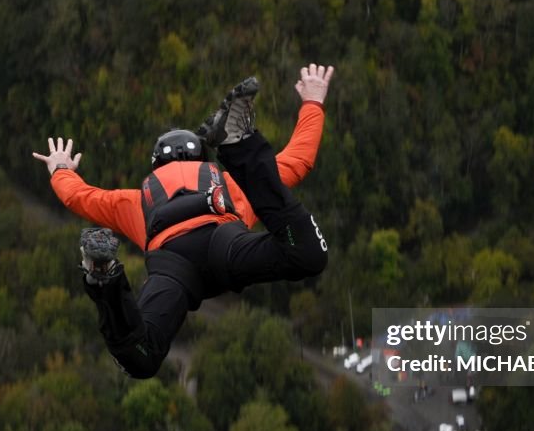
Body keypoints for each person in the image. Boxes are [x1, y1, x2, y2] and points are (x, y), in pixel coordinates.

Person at [32, 64, 334, 378]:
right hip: (225, 243)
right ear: (202, 160)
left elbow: (79, 197)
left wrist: (61, 169)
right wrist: (313, 102)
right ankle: (240, 148)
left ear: (155, 166)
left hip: (173, 266)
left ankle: (104, 279)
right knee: (308, 255)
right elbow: (299, 160)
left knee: (141, 355)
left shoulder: (134, 201)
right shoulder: (229, 184)